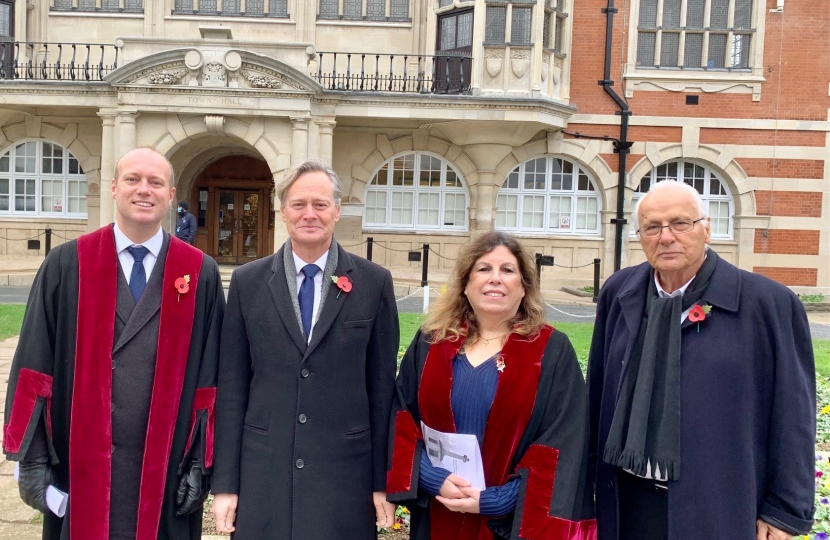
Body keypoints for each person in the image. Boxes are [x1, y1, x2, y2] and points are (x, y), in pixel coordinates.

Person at [3, 147, 226, 540]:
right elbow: (34, 364)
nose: (145, 190)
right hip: (81, 458)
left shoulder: (199, 272)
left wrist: (200, 460)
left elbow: (212, 379)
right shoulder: (68, 263)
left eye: (156, 182)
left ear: (171, 194)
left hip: (165, 461)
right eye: (133, 179)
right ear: (113, 187)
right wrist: (32, 456)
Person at [587, 180, 815, 540]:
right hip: (627, 502)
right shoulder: (620, 292)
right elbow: (597, 394)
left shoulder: (768, 304)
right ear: (640, 235)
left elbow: (793, 414)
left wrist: (785, 510)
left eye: (680, 223)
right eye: (652, 227)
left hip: (717, 503)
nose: (666, 237)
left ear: (706, 228)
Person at [212, 158, 400, 539]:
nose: (309, 214)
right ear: (283, 212)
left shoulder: (373, 283)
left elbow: (382, 392)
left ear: (337, 210)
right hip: (264, 475)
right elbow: (231, 389)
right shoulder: (247, 283)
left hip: (344, 476)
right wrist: (226, 485)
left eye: (320, 204)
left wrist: (384, 481)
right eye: (299, 204)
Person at [386, 231, 596, 540]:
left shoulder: (550, 350)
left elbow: (565, 441)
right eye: (484, 269)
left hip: (508, 523)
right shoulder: (432, 343)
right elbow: (401, 418)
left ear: (524, 287)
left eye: (507, 270)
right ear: (466, 285)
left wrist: (496, 500)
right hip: (439, 510)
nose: (495, 279)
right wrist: (431, 478)